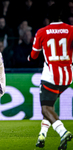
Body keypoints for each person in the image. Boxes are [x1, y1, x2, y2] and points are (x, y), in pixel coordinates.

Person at [28, 4, 72, 150]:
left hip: (51, 76)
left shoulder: (42, 31)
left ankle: (63, 132)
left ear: (48, 17)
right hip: (68, 76)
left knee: (45, 108)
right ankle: (42, 136)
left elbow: (34, 55)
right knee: (50, 106)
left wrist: (29, 58)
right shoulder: (71, 29)